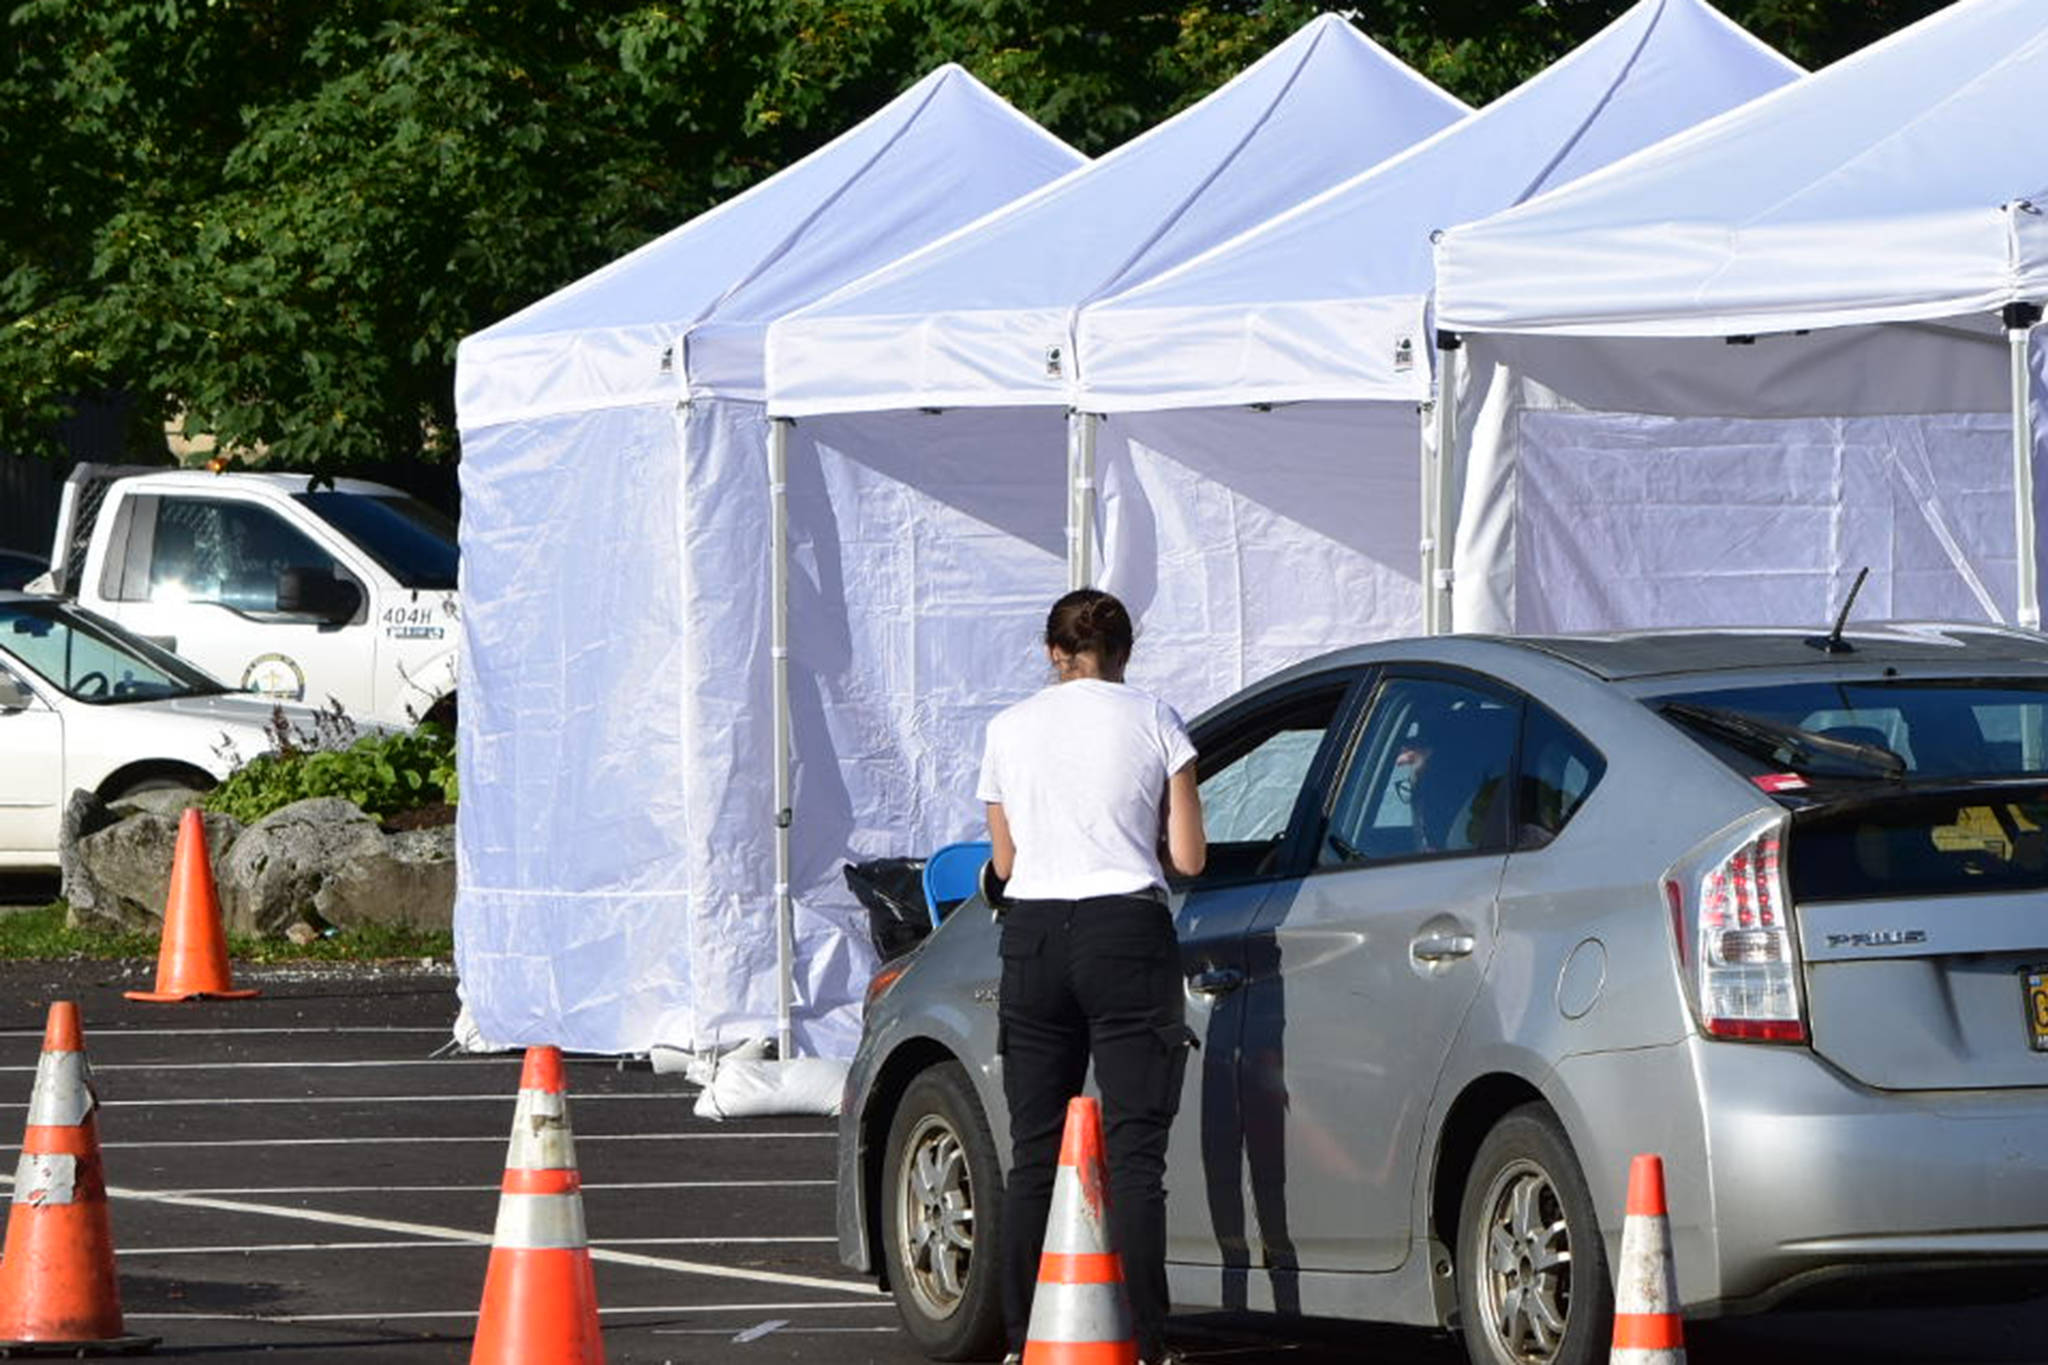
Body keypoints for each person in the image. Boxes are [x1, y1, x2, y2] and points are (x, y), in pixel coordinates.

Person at [976, 588, 1206, 1365]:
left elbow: (1004, 865)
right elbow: (1190, 858)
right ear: (1124, 652)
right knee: (1137, 1153)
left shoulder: (1007, 728)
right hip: (1127, 928)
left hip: (1035, 935)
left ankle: (1022, 1337)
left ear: (1053, 653)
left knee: (1034, 1150)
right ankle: (1145, 1341)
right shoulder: (1155, 719)